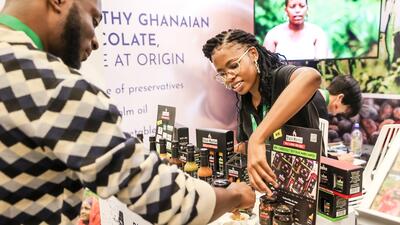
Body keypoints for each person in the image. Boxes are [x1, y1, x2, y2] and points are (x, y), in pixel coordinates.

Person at [0, 0, 255, 224]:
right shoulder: (54, 87)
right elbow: (172, 202)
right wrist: (236, 195)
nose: (97, 41)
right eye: (94, 18)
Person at [202, 29, 321, 194]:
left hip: (308, 187)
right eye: (222, 74)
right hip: (275, 188)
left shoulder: (280, 78)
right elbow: (252, 145)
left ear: (253, 54)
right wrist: (242, 147)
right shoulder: (246, 101)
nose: (229, 77)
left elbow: (311, 77)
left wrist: (258, 137)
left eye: (234, 66)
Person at [263, 0, 330, 60]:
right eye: (292, 6)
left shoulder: (318, 34)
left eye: (302, 6)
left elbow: (322, 66)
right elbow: (267, 67)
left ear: (307, 8)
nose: (297, 10)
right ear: (286, 10)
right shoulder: (273, 34)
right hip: (281, 74)